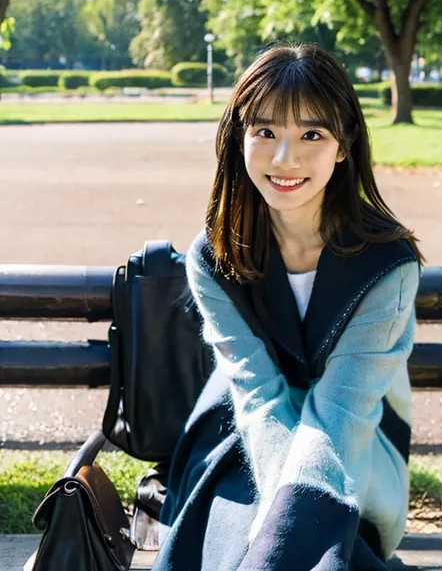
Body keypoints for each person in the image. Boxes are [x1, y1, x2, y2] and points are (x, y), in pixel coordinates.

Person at [152, 43, 424, 571]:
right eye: (266, 132)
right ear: (239, 138)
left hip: (354, 442)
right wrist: (277, 520)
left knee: (312, 543)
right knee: (240, 532)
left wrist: (284, 531)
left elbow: (344, 411)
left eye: (312, 135)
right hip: (242, 435)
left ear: (343, 146)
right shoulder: (213, 258)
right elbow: (255, 391)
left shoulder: (387, 265)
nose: (285, 158)